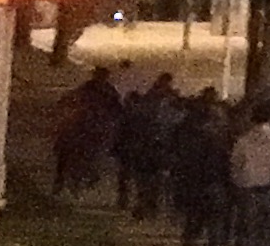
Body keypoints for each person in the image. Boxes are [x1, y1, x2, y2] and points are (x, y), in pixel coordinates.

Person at [167, 90, 234, 246]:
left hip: (195, 184)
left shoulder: (190, 137)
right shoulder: (220, 139)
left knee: (193, 221)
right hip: (214, 184)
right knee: (214, 224)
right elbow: (226, 163)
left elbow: (181, 160)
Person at [48, 64, 118, 200]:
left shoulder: (107, 91)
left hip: (95, 128)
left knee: (87, 154)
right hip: (86, 126)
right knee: (69, 152)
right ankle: (63, 182)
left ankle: (74, 181)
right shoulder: (92, 89)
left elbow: (115, 109)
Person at [114, 72, 175, 220]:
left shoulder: (169, 98)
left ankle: (147, 205)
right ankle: (138, 203)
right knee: (140, 177)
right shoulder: (150, 100)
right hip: (144, 145)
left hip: (155, 144)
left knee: (152, 178)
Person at [229, 97, 270, 246]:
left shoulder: (243, 140)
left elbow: (235, 163)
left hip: (249, 186)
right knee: (267, 224)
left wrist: (237, 181)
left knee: (250, 224)